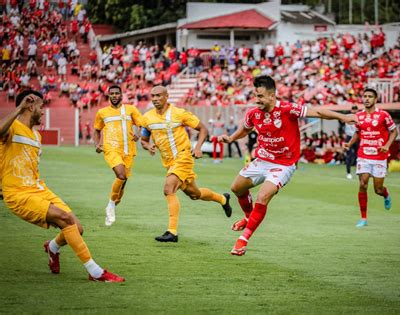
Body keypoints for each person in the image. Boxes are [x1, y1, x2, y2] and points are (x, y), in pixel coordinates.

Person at [219, 76, 356, 256]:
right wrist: (231, 138)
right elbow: (245, 129)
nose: (256, 100)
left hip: (283, 164)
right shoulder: (253, 113)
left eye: (260, 96)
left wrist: (343, 117)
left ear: (272, 96)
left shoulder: (288, 109)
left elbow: (319, 113)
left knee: (262, 196)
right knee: (236, 188)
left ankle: (242, 240)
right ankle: (248, 217)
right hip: (262, 160)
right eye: (255, 95)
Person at [0, 90, 124, 282]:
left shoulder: (36, 136)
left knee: (77, 228)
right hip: (18, 194)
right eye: (41, 107)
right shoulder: (13, 127)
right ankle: (96, 272)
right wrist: (18, 109)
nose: (43, 112)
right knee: (64, 219)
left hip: (39, 189)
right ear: (30, 106)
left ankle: (52, 247)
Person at [140, 86, 232, 243]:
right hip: (169, 162)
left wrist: (197, 148)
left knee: (168, 188)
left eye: (158, 95)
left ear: (166, 96)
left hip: (183, 156)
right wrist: (149, 146)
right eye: (153, 95)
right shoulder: (147, 118)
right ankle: (222, 199)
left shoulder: (179, 113)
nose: (155, 98)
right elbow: (143, 139)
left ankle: (172, 232)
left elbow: (203, 129)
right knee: (194, 194)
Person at [344, 88, 398, 228]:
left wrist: (387, 145)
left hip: (380, 156)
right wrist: (349, 144)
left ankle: (385, 194)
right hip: (364, 155)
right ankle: (363, 218)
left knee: (377, 189)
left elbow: (394, 131)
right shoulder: (359, 116)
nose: (367, 99)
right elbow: (357, 132)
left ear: (375, 99)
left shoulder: (383, 115)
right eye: (365, 96)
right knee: (363, 183)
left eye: (370, 96)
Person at [93, 85, 144, 226]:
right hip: (111, 149)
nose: (114, 96)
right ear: (109, 96)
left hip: (128, 150)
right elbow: (97, 130)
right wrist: (97, 144)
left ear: (121, 95)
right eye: (112, 94)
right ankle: (110, 205)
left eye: (117, 93)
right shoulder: (102, 112)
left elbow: (142, 124)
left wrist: (139, 133)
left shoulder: (131, 109)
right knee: (120, 175)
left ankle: (113, 205)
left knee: (123, 184)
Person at [344, 105, 359, 179]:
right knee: (348, 155)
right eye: (353, 109)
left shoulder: (359, 117)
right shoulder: (347, 116)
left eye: (355, 109)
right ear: (351, 110)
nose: (354, 111)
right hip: (349, 137)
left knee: (359, 155)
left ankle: (358, 171)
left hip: (357, 137)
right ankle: (348, 172)